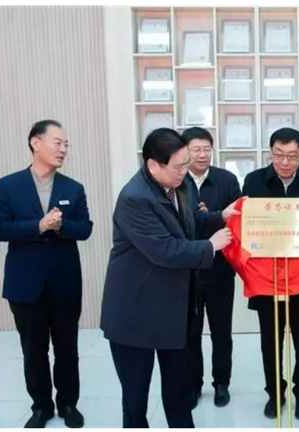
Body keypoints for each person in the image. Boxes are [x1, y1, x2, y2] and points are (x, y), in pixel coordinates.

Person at [99, 128, 236, 428]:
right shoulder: (134, 198)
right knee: (135, 399)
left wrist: (221, 216)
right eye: (179, 166)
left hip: (173, 309)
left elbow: (191, 222)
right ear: (153, 165)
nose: (186, 171)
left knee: (179, 393)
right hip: (136, 312)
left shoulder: (179, 183)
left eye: (186, 164)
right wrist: (210, 246)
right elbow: (164, 250)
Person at [0, 119, 93, 428]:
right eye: (57, 142)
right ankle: (41, 406)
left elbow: (85, 228)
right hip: (25, 283)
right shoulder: (7, 186)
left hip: (65, 283)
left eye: (66, 144)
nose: (63, 149)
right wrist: (38, 226)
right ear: (36, 143)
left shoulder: (73, 188)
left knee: (67, 348)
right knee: (33, 350)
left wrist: (61, 226)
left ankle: (68, 404)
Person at [242, 127, 299, 420]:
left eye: (292, 156)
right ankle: (274, 393)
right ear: (270, 151)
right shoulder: (253, 181)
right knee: (270, 339)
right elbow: (246, 226)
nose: (285, 162)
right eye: (278, 155)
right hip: (267, 277)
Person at [182, 127, 242, 408]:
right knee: (190, 333)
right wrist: (214, 217)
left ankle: (221, 383)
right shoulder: (177, 180)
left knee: (221, 331)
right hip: (188, 270)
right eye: (196, 149)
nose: (202, 154)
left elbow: (237, 221)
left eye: (206, 149)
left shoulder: (226, 180)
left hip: (220, 269)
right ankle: (193, 384)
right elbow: (182, 225)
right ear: (185, 151)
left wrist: (208, 218)